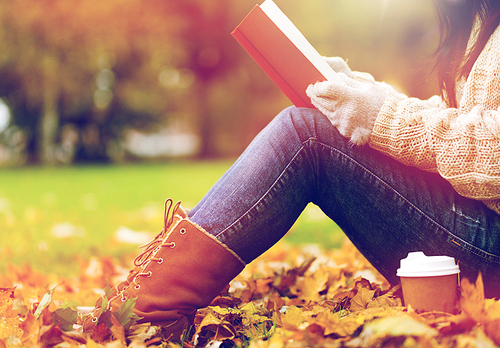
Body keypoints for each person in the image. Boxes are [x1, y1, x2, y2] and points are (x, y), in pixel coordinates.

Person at [82, 0, 500, 341]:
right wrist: (365, 92)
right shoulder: (481, 20)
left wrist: (382, 115)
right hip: (477, 224)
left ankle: (145, 313)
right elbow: (467, 120)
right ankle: (147, 303)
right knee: (307, 126)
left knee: (306, 136)